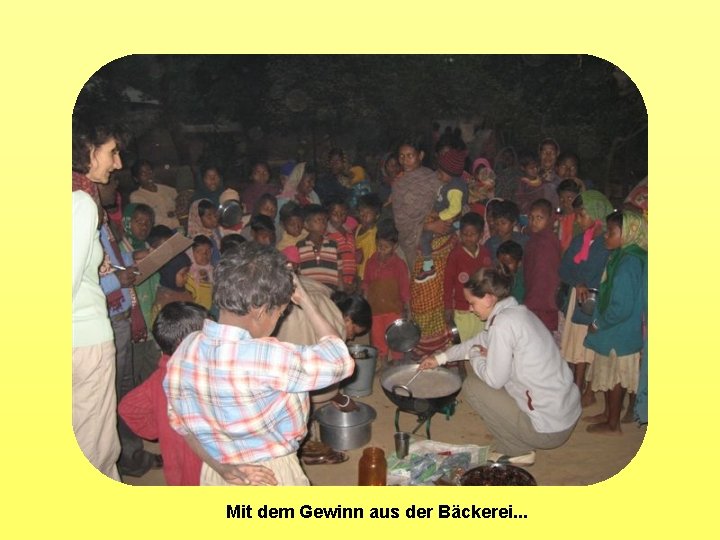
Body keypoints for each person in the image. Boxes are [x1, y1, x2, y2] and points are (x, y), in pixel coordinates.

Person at [164, 243, 355, 485]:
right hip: (273, 475)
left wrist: (219, 466)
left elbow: (183, 426)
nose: (279, 320)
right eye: (280, 313)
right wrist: (306, 301)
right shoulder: (268, 357)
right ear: (262, 311)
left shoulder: (186, 349)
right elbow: (340, 360)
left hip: (219, 473)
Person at [419, 268, 581, 466]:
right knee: (491, 368)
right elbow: (478, 341)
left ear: (488, 299)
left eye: (472, 303)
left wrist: (478, 355)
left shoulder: (503, 324)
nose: (471, 309)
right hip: (565, 415)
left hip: (548, 430)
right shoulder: (516, 313)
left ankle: (517, 450)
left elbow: (494, 379)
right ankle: (517, 439)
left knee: (473, 385)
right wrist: (440, 358)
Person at [72, 119, 123, 480]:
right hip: (84, 339)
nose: (117, 163)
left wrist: (94, 261)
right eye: (112, 153)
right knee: (96, 448)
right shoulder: (82, 202)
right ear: (89, 151)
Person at [118, 302, 208, 485]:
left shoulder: (160, 377)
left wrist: (158, 427)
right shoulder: (203, 375)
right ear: (186, 343)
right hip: (205, 471)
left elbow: (128, 408)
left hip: (177, 471)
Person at [583, 210, 647, 435]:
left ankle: (613, 423)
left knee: (616, 377)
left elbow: (621, 306)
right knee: (611, 375)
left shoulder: (629, 262)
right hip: (619, 328)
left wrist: (599, 323)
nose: (605, 235)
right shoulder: (624, 255)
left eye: (611, 231)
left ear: (627, 233)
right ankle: (609, 414)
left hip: (619, 330)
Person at [392, 137, 454, 354]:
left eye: (410, 155)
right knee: (419, 297)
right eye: (401, 156)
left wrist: (440, 223)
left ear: (420, 156)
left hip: (441, 244)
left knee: (441, 293)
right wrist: (428, 227)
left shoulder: (433, 178)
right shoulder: (399, 185)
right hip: (415, 245)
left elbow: (450, 202)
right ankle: (420, 346)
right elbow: (401, 220)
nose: (405, 160)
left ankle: (445, 346)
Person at [559, 191, 613, 404]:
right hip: (578, 298)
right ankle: (578, 388)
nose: (578, 220)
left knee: (588, 348)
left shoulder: (607, 243)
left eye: (582, 215)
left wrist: (585, 285)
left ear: (596, 214)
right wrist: (578, 282)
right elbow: (564, 268)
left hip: (595, 301)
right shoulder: (581, 240)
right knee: (577, 346)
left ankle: (584, 390)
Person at [416, 147, 469, 283]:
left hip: (450, 221)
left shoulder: (455, 188)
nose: (437, 175)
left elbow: (455, 210)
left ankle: (428, 266)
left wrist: (438, 216)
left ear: (451, 174)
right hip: (441, 217)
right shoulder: (446, 181)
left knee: (425, 237)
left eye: (440, 173)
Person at [362, 221, 410, 361]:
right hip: (375, 309)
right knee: (377, 337)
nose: (382, 249)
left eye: (386, 247)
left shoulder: (399, 264)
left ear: (395, 246)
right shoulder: (371, 262)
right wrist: (365, 302)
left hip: (393, 309)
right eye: (379, 246)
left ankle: (397, 362)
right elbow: (366, 283)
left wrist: (406, 306)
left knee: (395, 336)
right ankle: (382, 362)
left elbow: (404, 286)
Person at [443, 212, 493, 342]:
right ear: (460, 234)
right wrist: (448, 306)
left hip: (482, 307)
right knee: (464, 344)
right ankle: (464, 363)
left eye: (472, 235)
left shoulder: (485, 253)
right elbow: (448, 282)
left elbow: (490, 279)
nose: (468, 238)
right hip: (462, 309)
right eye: (465, 234)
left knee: (481, 342)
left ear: (481, 235)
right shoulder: (455, 255)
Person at [523, 198, 562, 332]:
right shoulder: (533, 240)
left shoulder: (547, 242)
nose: (534, 222)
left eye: (540, 218)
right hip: (533, 297)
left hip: (543, 303)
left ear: (550, 219)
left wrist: (532, 302)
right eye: (531, 217)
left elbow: (545, 276)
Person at [296, 204, 343, 291]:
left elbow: (339, 271)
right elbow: (298, 273)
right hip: (309, 293)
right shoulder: (300, 247)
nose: (323, 224)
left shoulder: (333, 245)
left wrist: (341, 292)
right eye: (318, 220)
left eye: (325, 220)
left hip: (330, 293)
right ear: (306, 225)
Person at [129, 159, 180, 230]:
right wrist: (178, 222)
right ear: (136, 178)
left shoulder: (168, 189)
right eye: (143, 174)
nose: (149, 176)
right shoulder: (136, 196)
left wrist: (175, 213)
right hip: (158, 232)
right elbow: (153, 219)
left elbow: (180, 204)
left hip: (179, 227)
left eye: (150, 172)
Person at [151, 253, 194, 325]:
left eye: (187, 273)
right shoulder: (165, 299)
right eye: (183, 274)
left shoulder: (183, 291)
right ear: (170, 274)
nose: (187, 277)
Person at [326, 199, 358, 293]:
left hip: (351, 282)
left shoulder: (350, 233)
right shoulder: (327, 235)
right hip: (337, 284)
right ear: (328, 214)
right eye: (335, 214)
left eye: (343, 213)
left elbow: (353, 259)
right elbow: (331, 263)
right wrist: (341, 284)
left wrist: (354, 281)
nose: (339, 217)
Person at [484, 200, 527, 266]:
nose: (499, 227)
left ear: (514, 222)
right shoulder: (490, 244)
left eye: (503, 223)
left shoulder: (524, 242)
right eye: (496, 223)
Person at [354, 193, 382, 284]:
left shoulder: (374, 234)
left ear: (377, 215)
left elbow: (371, 261)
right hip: (355, 272)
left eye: (368, 213)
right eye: (361, 211)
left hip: (365, 276)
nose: (363, 215)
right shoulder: (357, 229)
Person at [187, 199, 222, 264]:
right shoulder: (198, 240)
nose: (214, 219)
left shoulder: (216, 231)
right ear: (198, 219)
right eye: (209, 217)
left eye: (215, 215)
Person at [186, 235, 214, 310]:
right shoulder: (186, 274)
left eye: (208, 251)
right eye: (199, 251)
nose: (204, 255)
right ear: (191, 253)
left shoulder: (214, 272)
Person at [556, 178, 582, 253]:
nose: (565, 202)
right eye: (561, 199)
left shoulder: (581, 220)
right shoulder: (559, 219)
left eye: (570, 198)